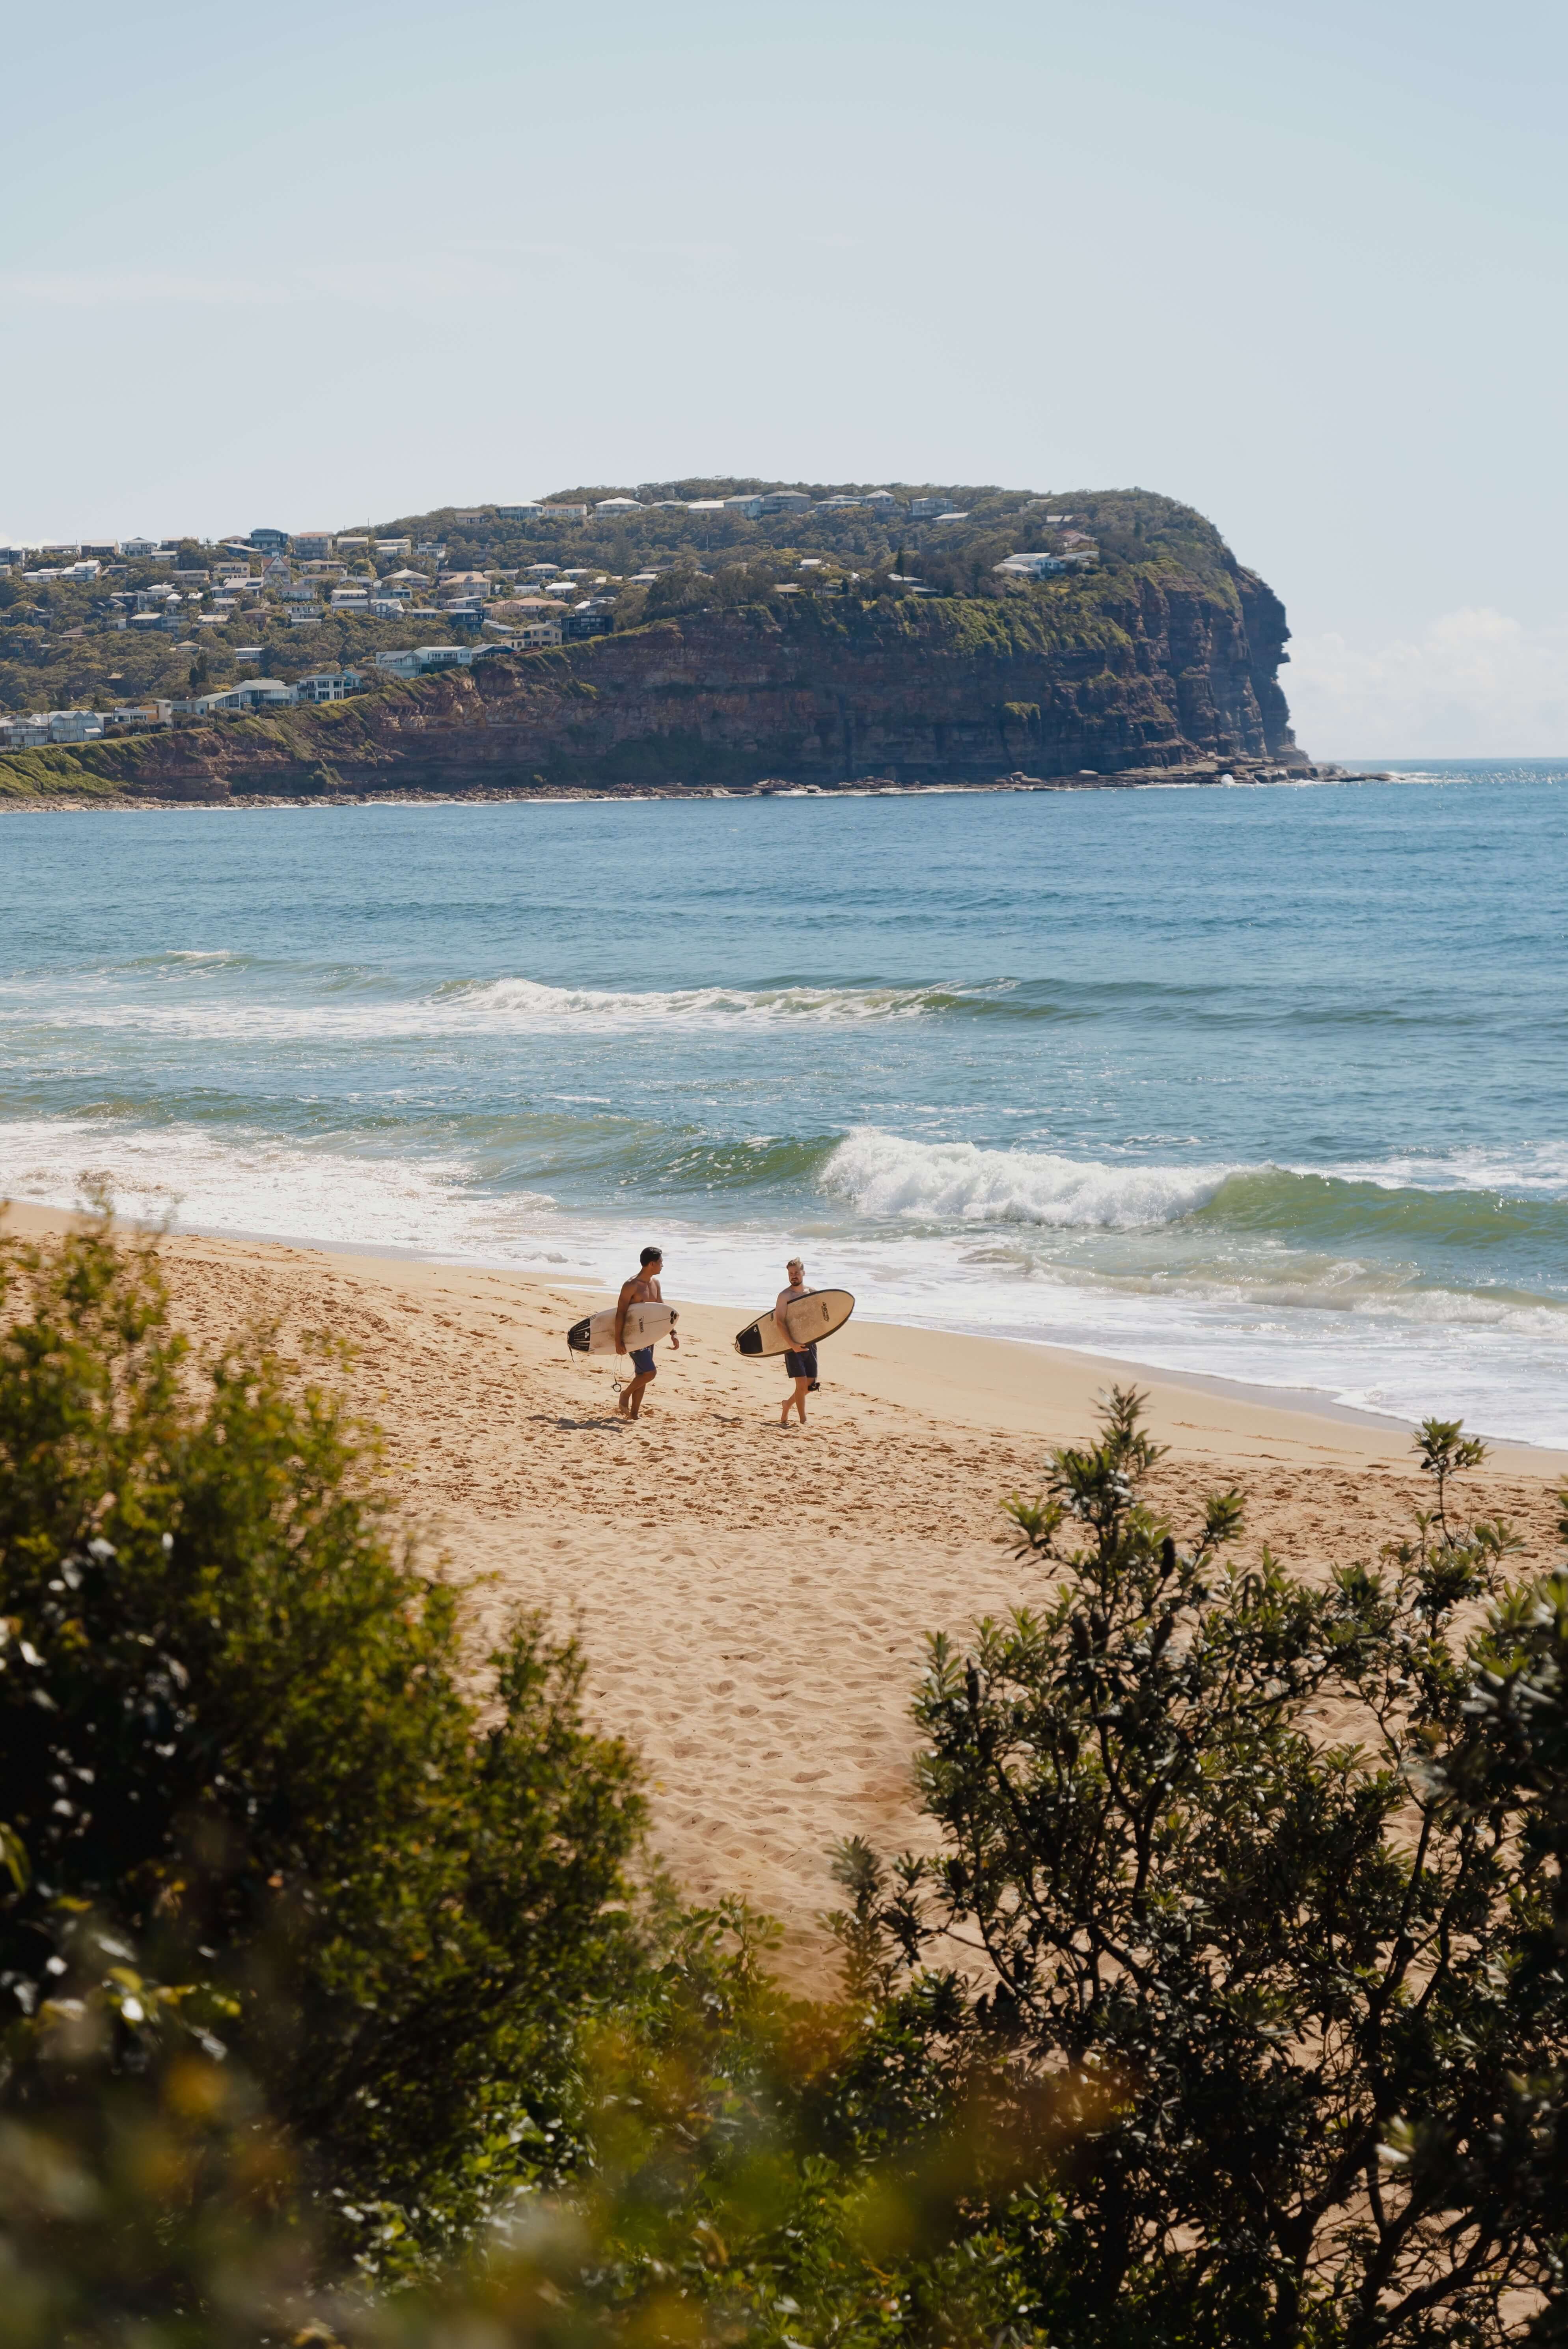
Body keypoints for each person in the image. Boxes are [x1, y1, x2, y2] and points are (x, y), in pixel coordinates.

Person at [615, 1244, 677, 1421]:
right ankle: (625, 1395)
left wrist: (673, 1333)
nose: (662, 1265)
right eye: (661, 1262)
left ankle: (634, 1414)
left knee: (642, 1375)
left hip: (649, 1336)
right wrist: (619, 1341)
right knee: (650, 1373)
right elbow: (620, 1313)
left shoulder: (655, 1283)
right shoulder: (631, 1285)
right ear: (651, 1264)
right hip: (633, 1337)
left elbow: (663, 1311)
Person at [774, 1255, 818, 1427]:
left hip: (810, 1343)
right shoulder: (784, 1296)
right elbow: (780, 1322)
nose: (794, 1276)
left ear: (803, 1273)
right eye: (791, 1273)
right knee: (801, 1384)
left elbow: (820, 1318)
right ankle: (803, 1420)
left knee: (809, 1385)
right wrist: (792, 1344)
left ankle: (787, 1404)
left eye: (797, 1273)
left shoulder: (813, 1292)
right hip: (792, 1344)